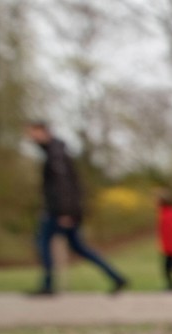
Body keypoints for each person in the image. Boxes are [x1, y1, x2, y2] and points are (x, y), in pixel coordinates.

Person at [25, 121, 128, 296]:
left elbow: (64, 185)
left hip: (60, 211)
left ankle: (48, 285)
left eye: (32, 133)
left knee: (43, 243)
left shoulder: (55, 154)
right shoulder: (54, 151)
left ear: (42, 132)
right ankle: (116, 277)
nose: (30, 137)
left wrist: (66, 212)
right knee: (78, 247)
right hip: (62, 210)